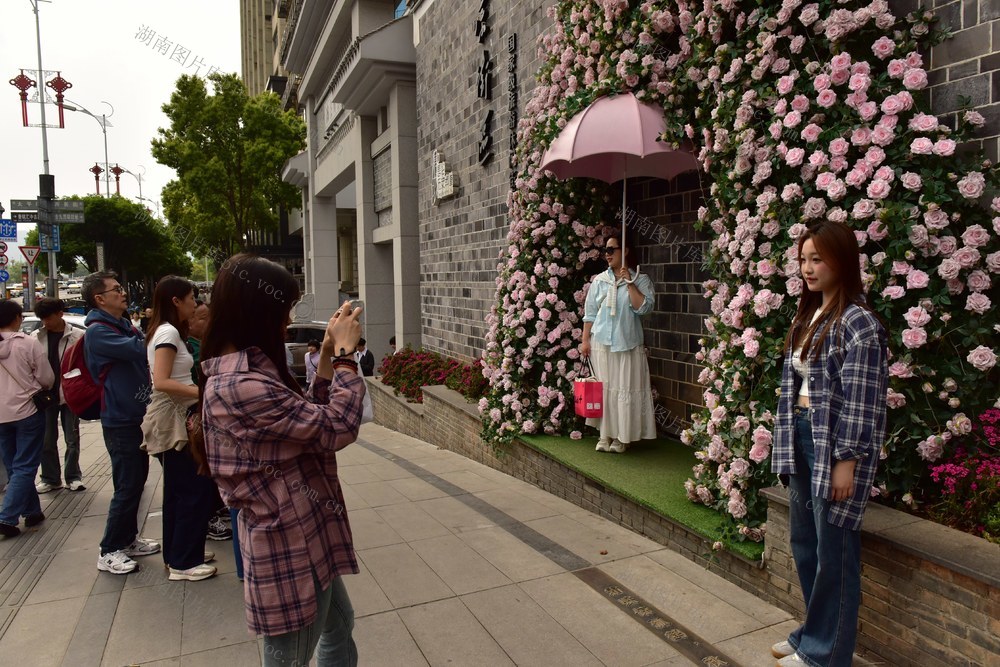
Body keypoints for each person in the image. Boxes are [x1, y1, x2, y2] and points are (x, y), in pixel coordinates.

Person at [197, 254, 364, 666]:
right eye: (282, 308)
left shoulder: (250, 370)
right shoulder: (241, 385)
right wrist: (345, 356)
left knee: (339, 627)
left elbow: (307, 419)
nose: (287, 320)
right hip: (290, 542)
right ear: (257, 311)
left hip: (307, 529)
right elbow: (336, 427)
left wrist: (326, 354)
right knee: (290, 658)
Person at [771, 220, 888, 667]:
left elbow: (862, 402)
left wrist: (847, 461)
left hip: (832, 443)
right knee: (806, 542)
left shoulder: (859, 323)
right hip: (802, 434)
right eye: (803, 259)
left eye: (817, 258)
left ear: (843, 261)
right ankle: (812, 635)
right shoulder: (810, 314)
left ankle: (826, 653)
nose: (808, 267)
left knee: (835, 550)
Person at [82, 271, 161, 574]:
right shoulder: (98, 331)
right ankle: (109, 550)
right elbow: (139, 349)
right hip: (119, 419)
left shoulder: (122, 324)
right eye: (115, 290)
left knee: (137, 481)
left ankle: (128, 540)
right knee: (127, 485)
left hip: (135, 415)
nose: (123, 292)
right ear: (99, 298)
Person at [140, 277, 218, 582]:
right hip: (172, 419)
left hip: (174, 416)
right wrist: (206, 393)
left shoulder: (165, 330)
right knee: (192, 490)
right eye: (190, 298)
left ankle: (180, 554)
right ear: (175, 301)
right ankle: (184, 562)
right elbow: (161, 380)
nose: (194, 304)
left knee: (177, 491)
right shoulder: (168, 332)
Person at [580, 236, 656, 453]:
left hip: (628, 344)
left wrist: (630, 283)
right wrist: (585, 341)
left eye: (612, 249)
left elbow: (644, 308)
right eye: (606, 249)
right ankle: (605, 435)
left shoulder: (640, 279)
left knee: (625, 389)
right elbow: (590, 313)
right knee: (604, 391)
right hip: (601, 344)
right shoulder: (599, 281)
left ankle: (623, 438)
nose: (608, 253)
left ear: (626, 250)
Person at [0, 300, 54, 537]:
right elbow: (46, 378)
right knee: (25, 466)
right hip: (27, 411)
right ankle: (6, 517)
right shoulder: (27, 343)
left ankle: (32, 510)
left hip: (1, 416)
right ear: (16, 318)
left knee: (14, 465)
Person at [33, 297, 85, 493]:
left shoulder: (77, 336)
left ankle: (73, 476)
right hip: (45, 395)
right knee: (46, 439)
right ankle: (50, 478)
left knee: (72, 438)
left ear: (60, 314)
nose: (46, 322)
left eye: (49, 317)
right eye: (42, 318)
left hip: (70, 393)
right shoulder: (36, 337)